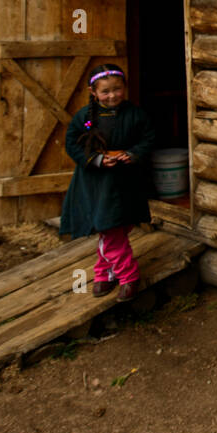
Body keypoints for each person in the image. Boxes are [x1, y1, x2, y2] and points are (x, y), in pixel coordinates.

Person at [60, 64, 156, 301]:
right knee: (109, 227)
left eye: (117, 89)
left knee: (119, 228)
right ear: (94, 92)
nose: (112, 95)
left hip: (126, 181)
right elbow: (73, 144)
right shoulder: (85, 118)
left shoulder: (135, 114)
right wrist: (97, 159)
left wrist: (132, 154)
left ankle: (104, 274)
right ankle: (128, 276)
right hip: (97, 183)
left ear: (124, 87)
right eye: (105, 91)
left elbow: (148, 138)